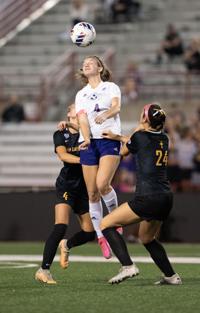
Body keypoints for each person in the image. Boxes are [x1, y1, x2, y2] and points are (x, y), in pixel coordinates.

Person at [100, 103, 182, 285]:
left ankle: (127, 266)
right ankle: (171, 276)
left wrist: (118, 136)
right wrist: (129, 133)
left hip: (149, 196)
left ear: (145, 119)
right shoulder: (165, 138)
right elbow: (140, 140)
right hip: (165, 197)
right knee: (146, 238)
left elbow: (124, 151)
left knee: (105, 224)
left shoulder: (140, 136)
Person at [35, 104, 95, 284]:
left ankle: (67, 245)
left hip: (83, 188)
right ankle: (44, 269)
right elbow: (63, 156)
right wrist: (86, 160)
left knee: (89, 233)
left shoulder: (87, 134)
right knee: (61, 226)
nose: (80, 110)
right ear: (69, 114)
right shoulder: (61, 134)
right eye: (76, 108)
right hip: (67, 185)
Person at [74, 55, 122, 259]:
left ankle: (116, 221)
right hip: (89, 143)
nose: (86, 64)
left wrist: (107, 114)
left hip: (108, 139)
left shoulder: (111, 87)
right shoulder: (81, 94)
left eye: (90, 62)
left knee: (103, 185)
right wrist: (85, 138)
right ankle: (101, 237)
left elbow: (117, 107)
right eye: (84, 63)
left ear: (100, 67)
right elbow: (82, 118)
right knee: (92, 192)